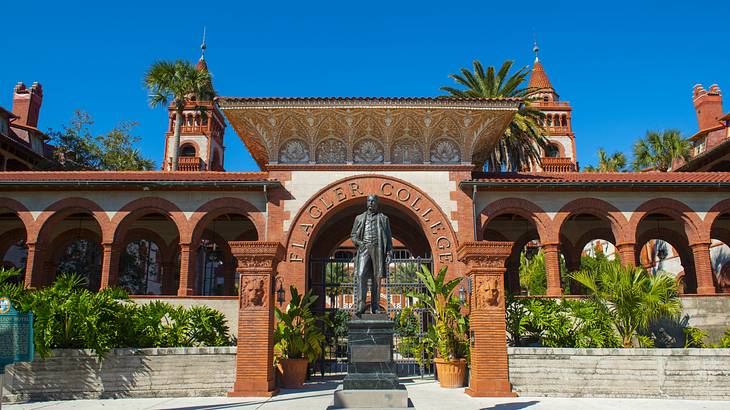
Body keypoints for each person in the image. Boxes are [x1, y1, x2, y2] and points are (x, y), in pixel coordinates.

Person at [350, 195, 393, 315]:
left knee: (376, 278)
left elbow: (388, 238)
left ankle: (375, 306)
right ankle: (361, 304)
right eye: (369, 201)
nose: (371, 203)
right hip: (364, 248)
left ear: (377, 203)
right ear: (366, 203)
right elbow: (353, 235)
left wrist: (389, 252)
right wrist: (360, 243)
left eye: (373, 201)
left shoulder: (383, 219)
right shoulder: (359, 218)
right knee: (360, 274)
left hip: (378, 249)